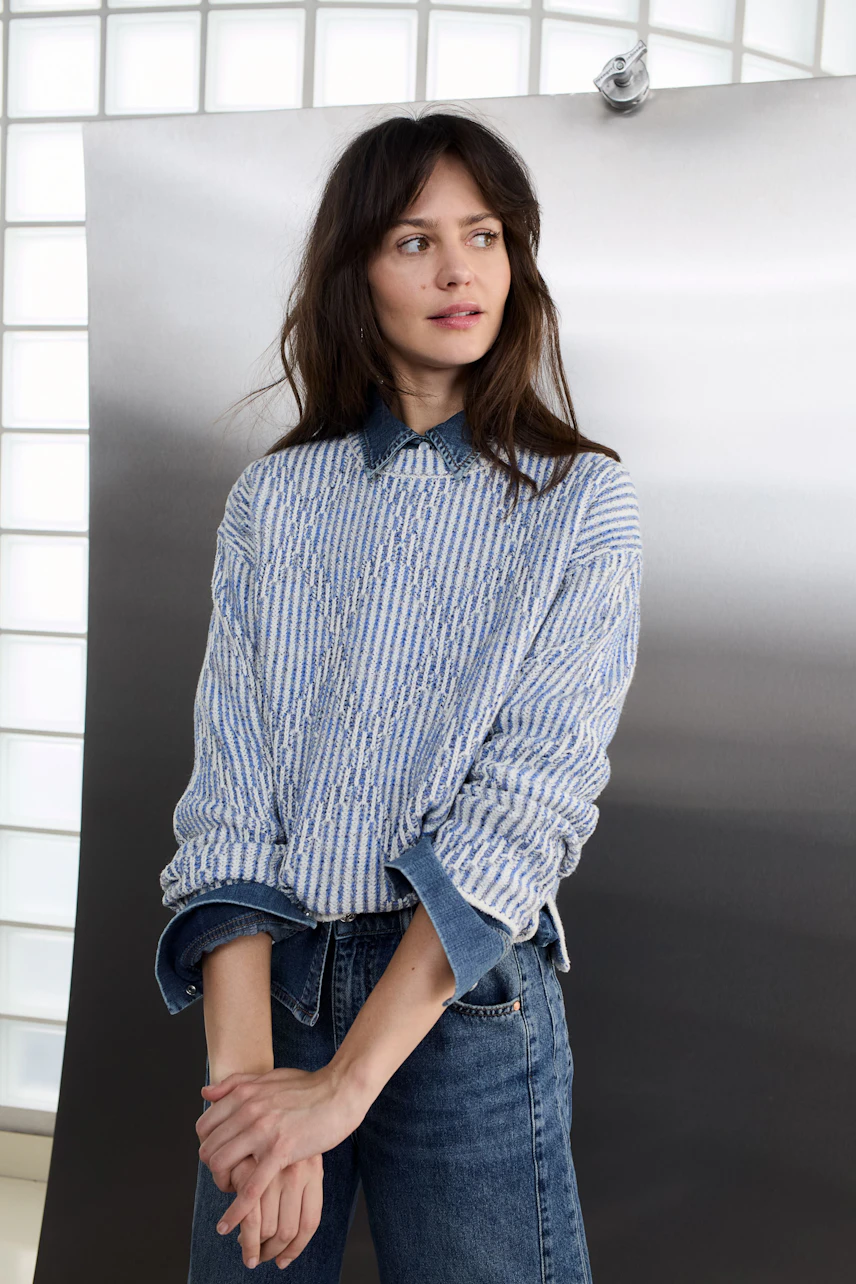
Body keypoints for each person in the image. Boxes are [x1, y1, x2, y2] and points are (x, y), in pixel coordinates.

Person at [154, 106, 643, 1282]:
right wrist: (255, 1102)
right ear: (356, 270)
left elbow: (525, 810)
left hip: (463, 1000)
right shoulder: (274, 502)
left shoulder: (580, 503)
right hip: (268, 989)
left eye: (483, 235)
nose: (459, 268)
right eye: (413, 241)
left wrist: (341, 1088)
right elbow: (230, 798)